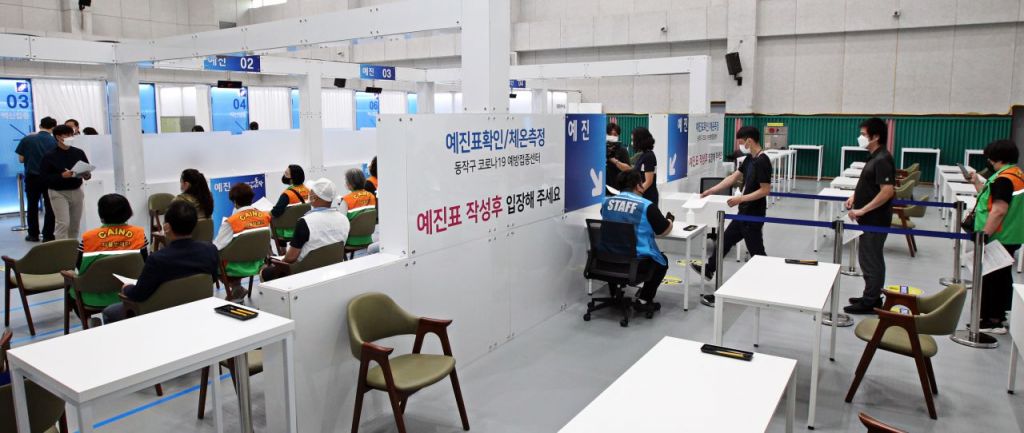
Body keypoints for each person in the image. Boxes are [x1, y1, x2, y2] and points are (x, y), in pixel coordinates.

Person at [692, 126, 772, 307]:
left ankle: (768, 284)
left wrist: (740, 198)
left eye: (741, 142)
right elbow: (733, 178)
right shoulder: (750, 159)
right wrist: (711, 190)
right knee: (725, 240)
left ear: (749, 140)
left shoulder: (762, 161)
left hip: (753, 214)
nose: (740, 145)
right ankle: (710, 269)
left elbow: (765, 190)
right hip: (744, 212)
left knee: (757, 252)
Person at [101, 201, 219, 323]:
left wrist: (127, 288)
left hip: (160, 314)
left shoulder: (157, 259)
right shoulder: (210, 250)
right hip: (196, 309)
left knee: (109, 312)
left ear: (166, 227)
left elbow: (139, 295)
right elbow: (212, 279)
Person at [965, 140, 1023, 333]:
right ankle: (998, 315)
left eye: (989, 157)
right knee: (1001, 277)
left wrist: (984, 235)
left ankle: (992, 320)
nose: (988, 161)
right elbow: (990, 199)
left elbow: (999, 210)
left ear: (996, 158)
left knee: (993, 279)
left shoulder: (1004, 179)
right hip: (1010, 234)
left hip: (999, 235)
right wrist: (976, 182)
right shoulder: (1015, 174)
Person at [600, 170, 675, 313]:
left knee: (617, 250)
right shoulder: (647, 206)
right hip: (636, 263)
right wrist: (670, 220)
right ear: (638, 185)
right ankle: (644, 299)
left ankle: (615, 293)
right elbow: (664, 231)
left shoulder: (606, 202)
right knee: (662, 262)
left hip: (607, 259)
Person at [844, 117, 897, 314]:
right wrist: (855, 197)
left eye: (863, 134)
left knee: (871, 259)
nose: (860, 138)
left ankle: (871, 300)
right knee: (866, 258)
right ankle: (870, 294)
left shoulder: (883, 159)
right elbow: (870, 184)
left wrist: (863, 210)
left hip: (875, 220)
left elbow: (887, 191)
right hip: (867, 218)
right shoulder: (874, 157)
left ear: (875, 137)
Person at [260, 178, 350, 282]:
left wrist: (279, 262)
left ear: (314, 197)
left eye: (311, 192)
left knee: (264, 272)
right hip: (331, 267)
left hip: (304, 271)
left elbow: (290, 258)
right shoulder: (344, 219)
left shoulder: (305, 222)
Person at [74, 194, 148, 310]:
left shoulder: (88, 238)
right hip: (131, 293)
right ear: (128, 211)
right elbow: (144, 264)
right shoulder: (139, 234)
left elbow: (78, 266)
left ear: (101, 214)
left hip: (93, 296)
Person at [213, 183, 271, 301]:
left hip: (236, 267)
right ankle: (237, 288)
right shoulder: (265, 216)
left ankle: (236, 288)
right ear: (251, 199)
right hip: (258, 263)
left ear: (234, 202)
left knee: (213, 258)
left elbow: (217, 246)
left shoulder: (231, 222)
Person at [41, 125, 91, 240]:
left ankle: (72, 248)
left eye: (71, 135)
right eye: (67, 135)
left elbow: (87, 170)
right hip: (58, 192)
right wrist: (61, 176)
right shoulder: (49, 156)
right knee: (63, 223)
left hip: (76, 190)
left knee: (75, 223)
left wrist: (86, 175)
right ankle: (62, 248)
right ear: (58, 137)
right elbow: (44, 177)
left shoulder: (78, 152)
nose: (70, 137)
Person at [15, 116, 58, 242]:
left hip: (32, 177)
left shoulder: (27, 139)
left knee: (32, 205)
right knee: (50, 206)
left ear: (40, 126)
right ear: (54, 127)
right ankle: (48, 235)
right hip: (49, 178)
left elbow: (21, 159)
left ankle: (33, 234)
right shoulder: (54, 141)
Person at [609, 127, 659, 204]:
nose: (632, 143)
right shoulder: (643, 155)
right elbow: (632, 170)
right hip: (642, 196)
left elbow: (649, 181)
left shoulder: (649, 156)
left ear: (640, 140)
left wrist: (636, 193)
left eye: (633, 140)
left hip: (647, 197)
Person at [340, 168, 377, 248]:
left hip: (351, 241)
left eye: (346, 181)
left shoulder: (346, 200)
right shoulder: (371, 196)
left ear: (350, 184)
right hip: (368, 239)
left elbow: (341, 223)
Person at [271, 164, 310, 236]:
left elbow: (275, 212)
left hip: (289, 231)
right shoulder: (308, 190)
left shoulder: (287, 194)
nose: (284, 175)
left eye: (286, 174)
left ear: (292, 179)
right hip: (305, 228)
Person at [604, 123, 629, 194]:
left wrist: (612, 159)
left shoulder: (622, 150)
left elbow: (628, 169)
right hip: (602, 187)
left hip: (617, 188)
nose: (612, 137)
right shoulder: (601, 148)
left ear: (618, 136)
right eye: (609, 134)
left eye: (615, 135)